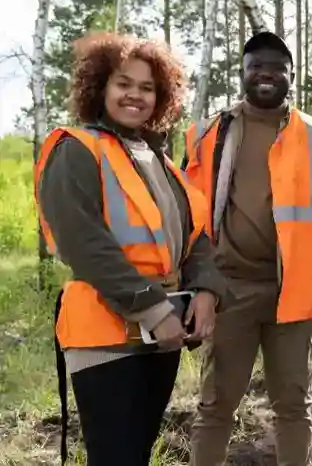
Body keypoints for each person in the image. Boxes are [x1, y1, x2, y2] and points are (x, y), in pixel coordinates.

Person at [33, 31, 228, 466]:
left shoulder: (157, 159)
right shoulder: (75, 150)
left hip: (161, 333)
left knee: (136, 455)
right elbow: (84, 244)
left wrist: (208, 292)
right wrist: (154, 310)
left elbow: (194, 238)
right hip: (107, 333)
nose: (135, 96)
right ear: (100, 86)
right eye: (124, 84)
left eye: (147, 87)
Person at [182, 30, 312, 466]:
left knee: (294, 408)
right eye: (257, 66)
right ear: (242, 73)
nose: (267, 75)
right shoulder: (208, 136)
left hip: (293, 296)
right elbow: (186, 218)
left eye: (277, 67)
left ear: (291, 76)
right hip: (228, 291)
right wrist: (193, 286)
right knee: (216, 408)